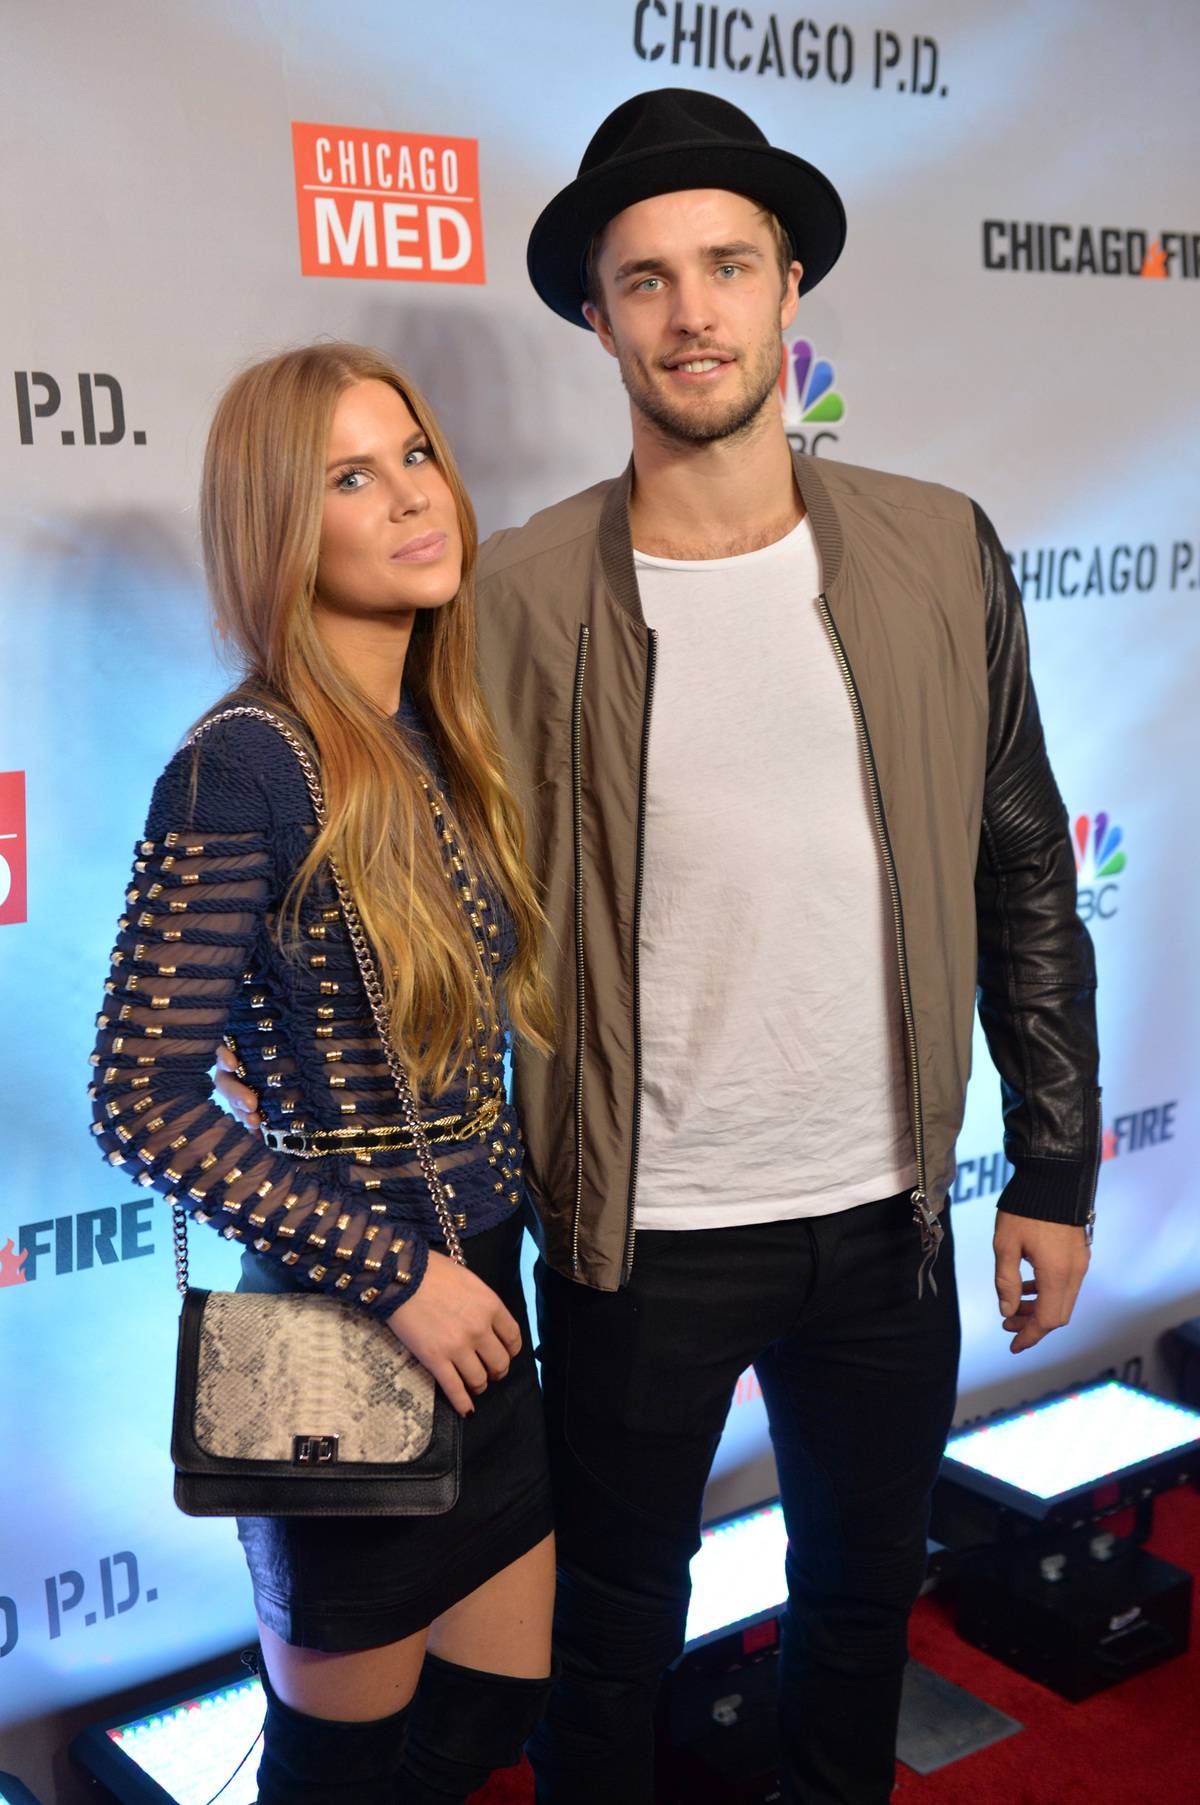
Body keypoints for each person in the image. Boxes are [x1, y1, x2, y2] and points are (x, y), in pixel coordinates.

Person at [220, 89, 1100, 1805]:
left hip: (886, 1220)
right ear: (597, 316)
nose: (692, 313)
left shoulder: (940, 550)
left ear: (789, 292)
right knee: (608, 1640)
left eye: (726, 268)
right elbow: (376, 813)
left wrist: (1055, 1160)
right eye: (647, 280)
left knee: (859, 1608)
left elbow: (1022, 866)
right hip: (639, 1231)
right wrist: (281, 985)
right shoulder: (512, 592)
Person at [89, 342, 557, 1805]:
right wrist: (394, 1274)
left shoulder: (434, 734)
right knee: (341, 1779)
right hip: (347, 1336)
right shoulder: (243, 764)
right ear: (284, 527)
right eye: (351, 476)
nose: (413, 496)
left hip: (490, 1306)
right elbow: (139, 1098)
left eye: (413, 453)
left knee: (486, 1721)